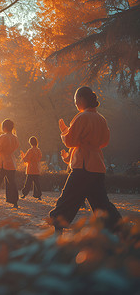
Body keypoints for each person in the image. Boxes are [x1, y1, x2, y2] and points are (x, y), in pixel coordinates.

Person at [49, 86, 121, 233]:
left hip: (83, 166)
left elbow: (70, 141)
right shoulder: (101, 119)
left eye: (76, 100)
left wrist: (64, 131)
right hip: (97, 164)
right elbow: (104, 142)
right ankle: (118, 226)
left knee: (68, 197)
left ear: (82, 99)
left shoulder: (82, 117)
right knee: (100, 202)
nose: (75, 103)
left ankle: (58, 223)